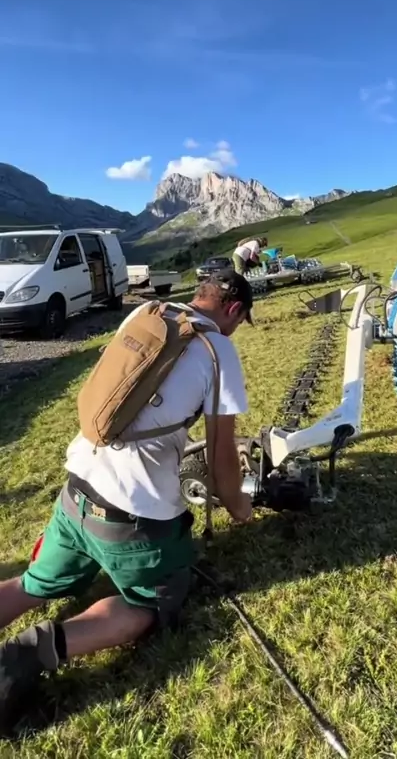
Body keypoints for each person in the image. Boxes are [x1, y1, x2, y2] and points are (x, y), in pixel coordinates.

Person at [0, 271, 254, 730]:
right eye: (240, 321)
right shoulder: (217, 351)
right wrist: (240, 508)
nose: (236, 330)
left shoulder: (147, 314)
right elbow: (220, 459)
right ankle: (31, 652)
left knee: (33, 583)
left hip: (76, 492)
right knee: (150, 603)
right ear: (234, 310)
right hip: (132, 518)